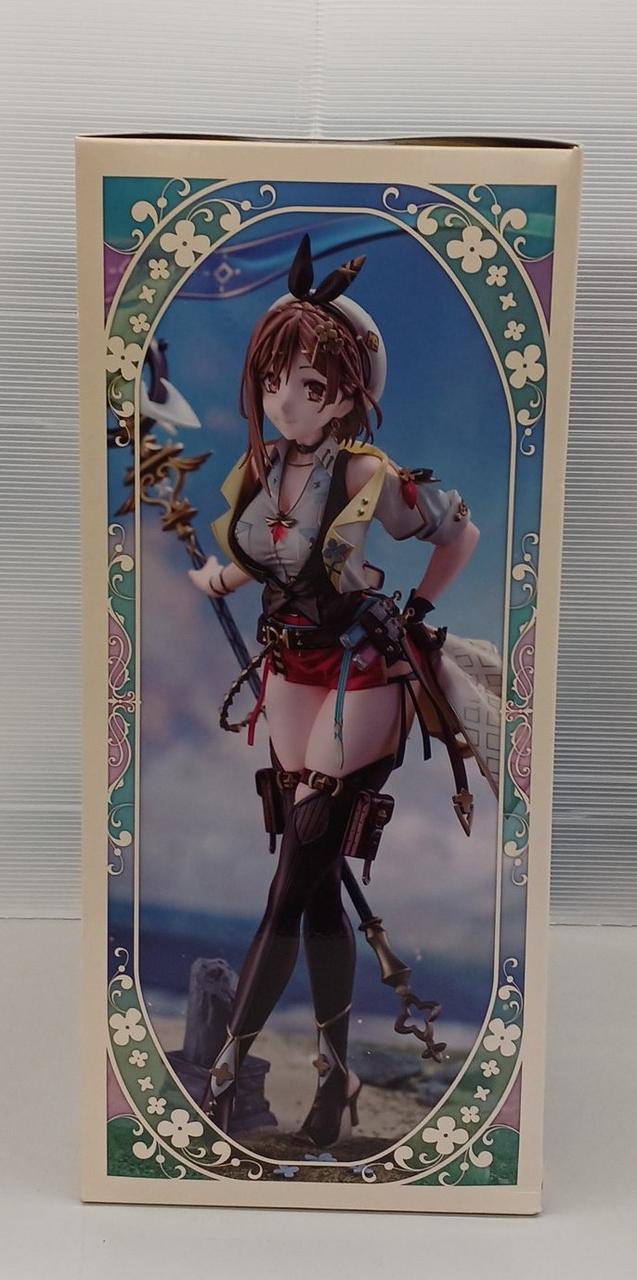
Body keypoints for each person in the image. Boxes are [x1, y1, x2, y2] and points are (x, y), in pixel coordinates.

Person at [188, 234, 480, 1148]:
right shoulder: (257, 470)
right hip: (287, 674)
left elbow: (458, 533)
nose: (286, 400)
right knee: (314, 887)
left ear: (348, 396)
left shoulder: (366, 475)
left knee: (293, 877)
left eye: (310, 386)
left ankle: (226, 1066)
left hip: (360, 673)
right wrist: (207, 575)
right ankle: (335, 1077)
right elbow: (252, 560)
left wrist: (420, 609)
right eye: (275, 380)